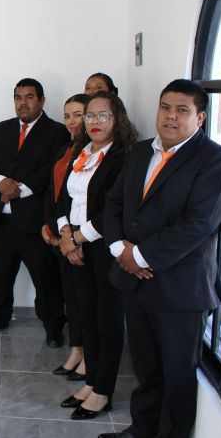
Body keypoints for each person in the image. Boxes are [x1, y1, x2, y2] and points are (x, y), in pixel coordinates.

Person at [100, 80, 221, 438]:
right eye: (165, 107)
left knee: (177, 374)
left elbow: (199, 223)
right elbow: (113, 203)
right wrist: (120, 251)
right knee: (146, 368)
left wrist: (140, 255)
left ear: (200, 117)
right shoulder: (140, 151)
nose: (171, 116)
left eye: (182, 110)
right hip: (134, 281)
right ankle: (141, 430)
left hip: (180, 287)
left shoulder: (216, 159)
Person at [56, 92, 138, 420]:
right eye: (90, 116)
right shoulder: (82, 151)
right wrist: (66, 234)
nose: (95, 122)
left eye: (103, 116)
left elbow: (114, 210)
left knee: (108, 323)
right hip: (75, 245)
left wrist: (77, 238)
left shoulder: (123, 157)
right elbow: (64, 198)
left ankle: (103, 391)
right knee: (87, 317)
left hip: (104, 249)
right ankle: (91, 382)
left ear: (117, 120)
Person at [0, 78, 69, 346]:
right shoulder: (2, 128)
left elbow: (52, 168)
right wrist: (0, 182)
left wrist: (19, 189)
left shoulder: (57, 132)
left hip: (34, 221)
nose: (23, 103)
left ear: (42, 100)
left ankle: (53, 325)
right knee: (1, 274)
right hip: (1, 219)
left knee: (45, 278)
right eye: (18, 97)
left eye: (29, 97)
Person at [42, 93, 91, 379]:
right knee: (71, 298)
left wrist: (72, 238)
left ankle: (89, 357)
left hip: (82, 239)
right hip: (63, 233)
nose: (72, 121)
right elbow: (55, 192)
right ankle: (76, 350)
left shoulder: (94, 151)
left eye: (78, 115)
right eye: (67, 116)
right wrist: (52, 227)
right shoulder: (66, 148)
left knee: (86, 302)